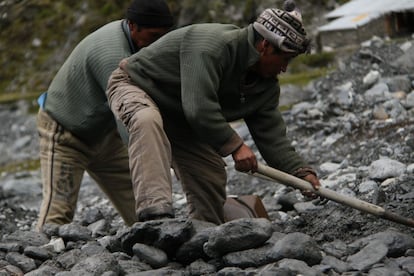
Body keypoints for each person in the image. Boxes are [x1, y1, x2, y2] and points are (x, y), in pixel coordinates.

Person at [106, 0, 321, 225]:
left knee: (210, 172)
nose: (284, 68)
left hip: (178, 111)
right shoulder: (212, 45)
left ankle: (203, 231)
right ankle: (155, 218)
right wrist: (235, 145)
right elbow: (199, 107)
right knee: (146, 120)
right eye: (284, 59)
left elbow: (272, 137)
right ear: (265, 45)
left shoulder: (265, 87)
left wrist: (300, 173)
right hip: (135, 84)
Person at [35, 0, 174, 231]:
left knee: (142, 198)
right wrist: (156, 154)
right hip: (65, 135)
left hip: (104, 136)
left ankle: (154, 246)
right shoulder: (112, 53)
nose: (157, 42)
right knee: (57, 214)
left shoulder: (141, 45)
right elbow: (128, 116)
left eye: (163, 35)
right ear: (132, 26)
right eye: (153, 35)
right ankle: (32, 259)